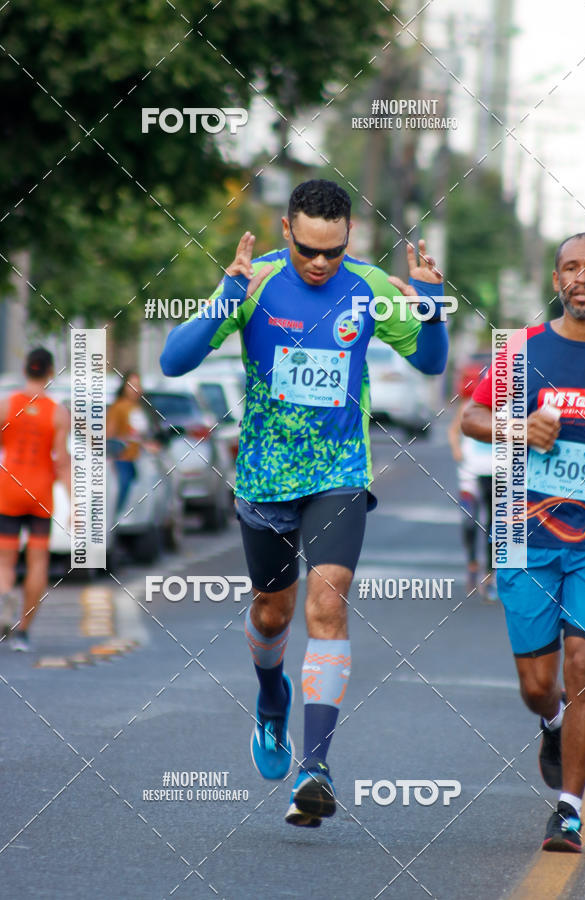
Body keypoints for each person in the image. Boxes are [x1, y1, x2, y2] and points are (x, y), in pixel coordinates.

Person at [160, 179, 449, 827]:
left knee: (328, 603)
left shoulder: (371, 286)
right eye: (309, 250)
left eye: (335, 251)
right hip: (264, 476)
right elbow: (174, 363)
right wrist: (225, 299)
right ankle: (270, 701)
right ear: (287, 231)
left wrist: (431, 305)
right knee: (271, 612)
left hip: (340, 470)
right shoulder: (253, 281)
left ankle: (314, 767)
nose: (321, 263)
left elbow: (431, 364)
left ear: (350, 238)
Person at [461, 232, 585, 852]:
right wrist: (518, 426)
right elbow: (468, 418)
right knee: (538, 685)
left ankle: (568, 810)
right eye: (571, 268)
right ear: (555, 282)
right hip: (525, 532)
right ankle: (551, 721)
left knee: (584, 665)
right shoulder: (522, 352)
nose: (583, 279)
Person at [0, 348, 70, 651]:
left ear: (26, 369)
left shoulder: (6, 405)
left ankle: (4, 597)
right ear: (50, 373)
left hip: (9, 489)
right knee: (38, 561)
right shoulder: (57, 412)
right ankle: (24, 631)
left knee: (5, 560)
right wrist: (76, 501)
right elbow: (62, 461)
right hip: (40, 492)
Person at [448, 363, 494, 599]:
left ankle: (490, 573)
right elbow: (453, 430)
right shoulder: (469, 406)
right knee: (469, 522)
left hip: (496, 473)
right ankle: (472, 563)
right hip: (469, 474)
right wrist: (457, 450)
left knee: (494, 526)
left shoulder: (508, 407)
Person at [107, 371, 153, 512]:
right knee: (124, 486)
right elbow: (110, 433)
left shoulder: (141, 408)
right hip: (123, 457)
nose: (135, 389)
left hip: (140, 458)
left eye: (137, 385)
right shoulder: (119, 407)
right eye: (131, 385)